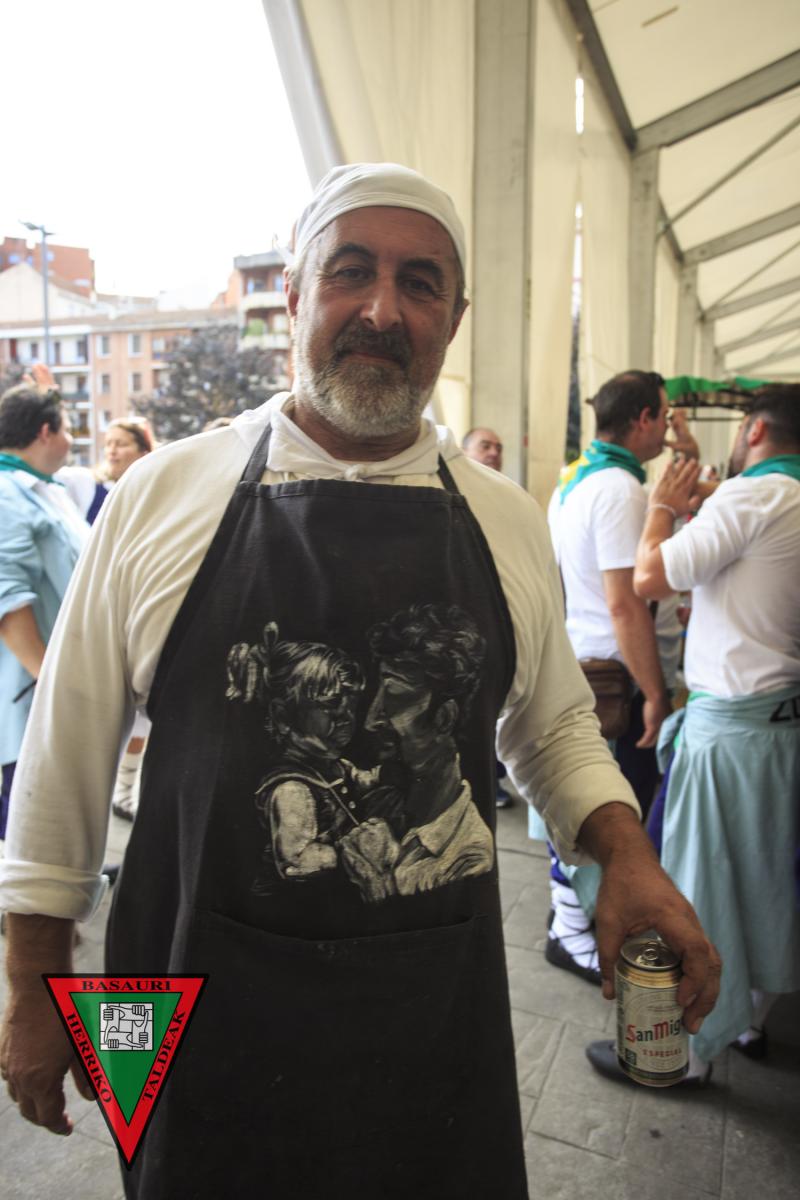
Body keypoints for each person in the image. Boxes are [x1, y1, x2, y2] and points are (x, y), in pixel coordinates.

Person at [0, 164, 719, 1199]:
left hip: (425, 1000)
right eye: (350, 272)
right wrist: (32, 985)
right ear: (295, 295)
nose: (382, 310)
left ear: (453, 320)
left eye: (420, 283)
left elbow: (551, 724)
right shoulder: (165, 492)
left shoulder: (504, 517)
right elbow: (63, 757)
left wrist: (627, 857)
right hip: (171, 991)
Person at [604, 384, 799, 1084]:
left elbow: (648, 578)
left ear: (753, 430)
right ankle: (748, 1021)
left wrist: (660, 506)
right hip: (780, 726)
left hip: (731, 734)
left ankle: (682, 1053)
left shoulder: (756, 496)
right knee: (766, 881)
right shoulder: (782, 497)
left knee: (703, 881)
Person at [541, 371, 676, 984]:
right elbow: (624, 604)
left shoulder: (575, 477)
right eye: (665, 417)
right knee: (607, 810)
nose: (666, 430)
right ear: (643, 418)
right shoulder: (621, 488)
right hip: (615, 677)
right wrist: (655, 693)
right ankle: (572, 932)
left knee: (582, 802)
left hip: (584, 658)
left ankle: (573, 920)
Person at [0, 380, 88, 839]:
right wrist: (51, 682)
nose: (70, 441)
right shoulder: (5, 492)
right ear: (45, 432)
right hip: (31, 694)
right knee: (31, 828)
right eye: (67, 429)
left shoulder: (41, 488)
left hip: (54, 684)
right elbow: (7, 598)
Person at [461, 426, 513, 807]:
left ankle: (492, 778)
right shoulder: (452, 497)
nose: (494, 452)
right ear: (464, 451)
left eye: (499, 447)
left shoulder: (507, 501)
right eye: (485, 445)